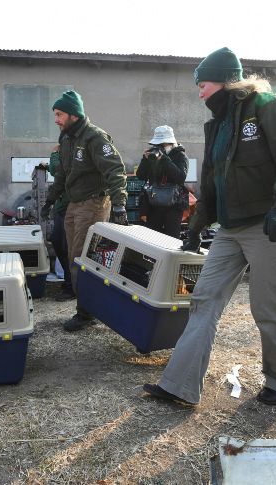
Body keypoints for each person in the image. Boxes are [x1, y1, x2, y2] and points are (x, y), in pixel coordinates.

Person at [143, 47, 276, 406]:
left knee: (267, 309)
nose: (199, 93)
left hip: (267, 224)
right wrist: (196, 226)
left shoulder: (268, 105)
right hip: (229, 229)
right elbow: (211, 182)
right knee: (203, 299)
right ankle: (180, 385)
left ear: (223, 81)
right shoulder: (218, 124)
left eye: (202, 85)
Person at [41, 90, 128, 331]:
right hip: (74, 203)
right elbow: (62, 174)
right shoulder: (67, 139)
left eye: (59, 114)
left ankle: (86, 313)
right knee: (74, 257)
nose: (56, 120)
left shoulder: (94, 137)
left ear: (74, 114)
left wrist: (119, 204)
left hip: (93, 203)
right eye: (55, 115)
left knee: (83, 258)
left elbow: (115, 170)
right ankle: (88, 307)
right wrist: (50, 201)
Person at [135, 125, 189, 238]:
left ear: (171, 143)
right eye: (157, 145)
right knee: (152, 237)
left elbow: (180, 177)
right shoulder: (153, 156)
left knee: (172, 238)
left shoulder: (180, 156)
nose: (159, 148)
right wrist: (145, 160)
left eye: (162, 145)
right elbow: (141, 176)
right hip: (153, 202)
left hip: (174, 204)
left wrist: (165, 160)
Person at [47, 145, 75, 302]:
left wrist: (54, 154)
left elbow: (56, 170)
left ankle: (71, 286)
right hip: (62, 206)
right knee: (57, 241)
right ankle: (68, 281)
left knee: (67, 246)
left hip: (72, 207)